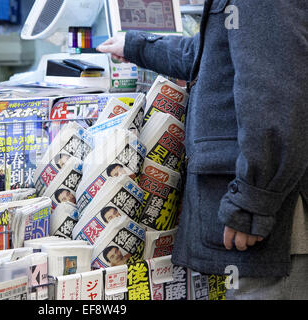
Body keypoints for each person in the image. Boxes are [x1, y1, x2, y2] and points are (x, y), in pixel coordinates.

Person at [98, 0, 308, 299]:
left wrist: (253, 203)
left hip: (277, 226)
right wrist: (138, 46)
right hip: (262, 210)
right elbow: (213, 56)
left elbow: (276, 101)